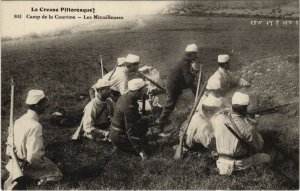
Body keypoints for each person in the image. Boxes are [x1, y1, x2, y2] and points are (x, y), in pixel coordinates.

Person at [4, 90, 62, 189]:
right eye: (44, 103)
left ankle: (11, 173)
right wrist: (45, 164)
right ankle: (26, 179)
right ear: (37, 106)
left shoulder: (19, 120)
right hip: (25, 165)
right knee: (57, 174)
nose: (46, 106)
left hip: (13, 163)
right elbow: (33, 157)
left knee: (51, 164)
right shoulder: (35, 126)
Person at [211, 92, 271, 175]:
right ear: (246, 108)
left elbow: (217, 115)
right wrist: (250, 124)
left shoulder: (217, 119)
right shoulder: (249, 129)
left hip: (221, 162)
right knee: (266, 157)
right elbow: (260, 145)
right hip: (238, 164)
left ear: (232, 106)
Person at [158, 44, 200, 136]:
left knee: (193, 86)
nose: (196, 56)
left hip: (177, 84)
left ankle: (199, 98)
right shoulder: (185, 63)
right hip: (173, 86)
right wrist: (195, 71)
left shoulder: (186, 61)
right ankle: (160, 129)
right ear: (190, 54)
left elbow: (188, 80)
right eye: (195, 54)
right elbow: (188, 80)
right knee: (169, 106)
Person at [109, 78, 151, 160]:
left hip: (117, 131)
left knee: (144, 120)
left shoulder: (126, 96)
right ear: (136, 91)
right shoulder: (129, 107)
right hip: (119, 136)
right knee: (148, 150)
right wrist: (141, 151)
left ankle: (125, 146)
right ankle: (122, 147)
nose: (144, 92)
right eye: (143, 90)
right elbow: (130, 131)